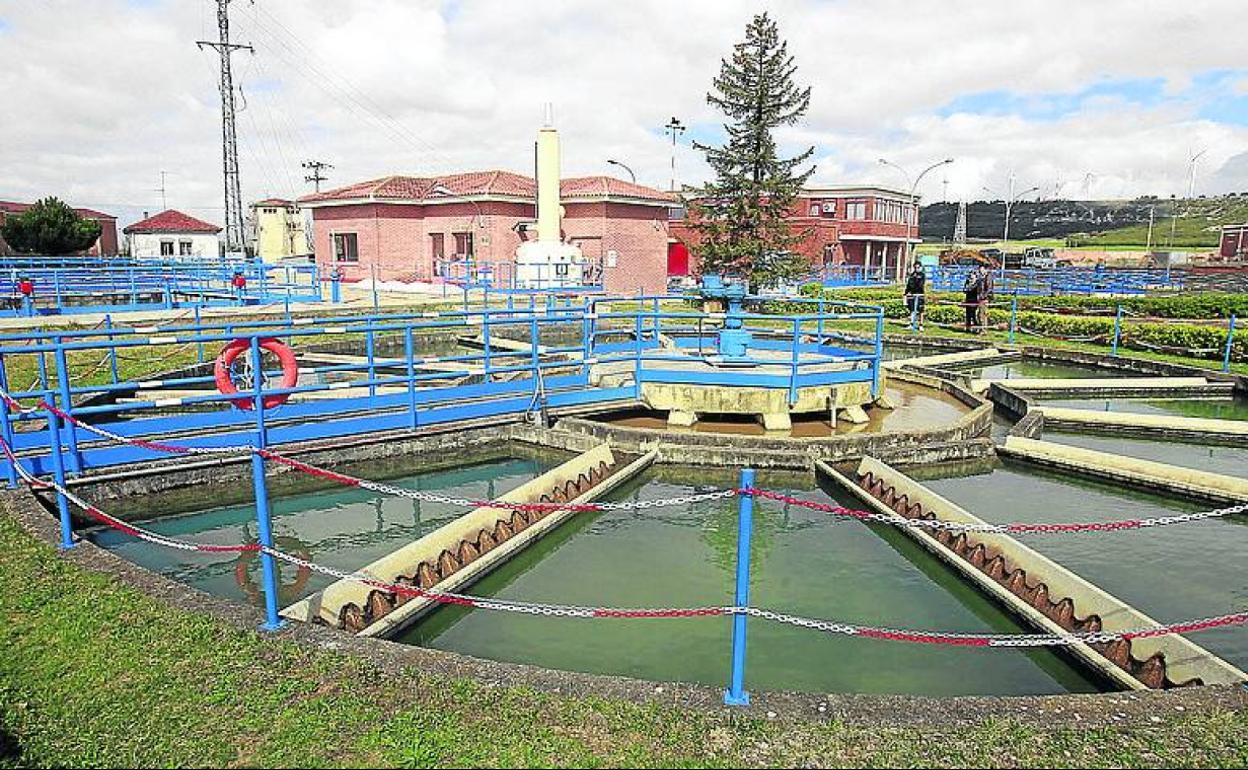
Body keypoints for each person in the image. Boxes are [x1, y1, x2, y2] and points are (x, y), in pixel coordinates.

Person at [903, 261, 926, 332]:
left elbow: (920, 285)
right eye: (915, 267)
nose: (917, 269)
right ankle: (911, 323)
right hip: (912, 295)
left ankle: (921, 325)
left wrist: (916, 280)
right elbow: (909, 284)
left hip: (920, 294)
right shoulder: (912, 275)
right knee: (912, 310)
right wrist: (906, 293)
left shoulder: (922, 275)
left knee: (920, 310)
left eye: (918, 267)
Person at [962, 266, 981, 333]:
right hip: (968, 300)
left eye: (972, 275)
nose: (971, 276)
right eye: (970, 275)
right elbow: (964, 290)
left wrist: (969, 288)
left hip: (974, 301)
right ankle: (968, 328)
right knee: (968, 315)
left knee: (973, 315)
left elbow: (974, 290)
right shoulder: (967, 282)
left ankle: (976, 328)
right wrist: (967, 286)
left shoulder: (977, 283)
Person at [977, 265, 995, 332]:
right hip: (981, 298)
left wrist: (982, 296)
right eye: (979, 270)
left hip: (984, 298)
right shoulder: (982, 277)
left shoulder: (988, 277)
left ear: (985, 270)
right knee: (980, 314)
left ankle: (983, 330)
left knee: (982, 314)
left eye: (981, 270)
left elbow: (989, 289)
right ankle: (981, 329)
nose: (980, 272)